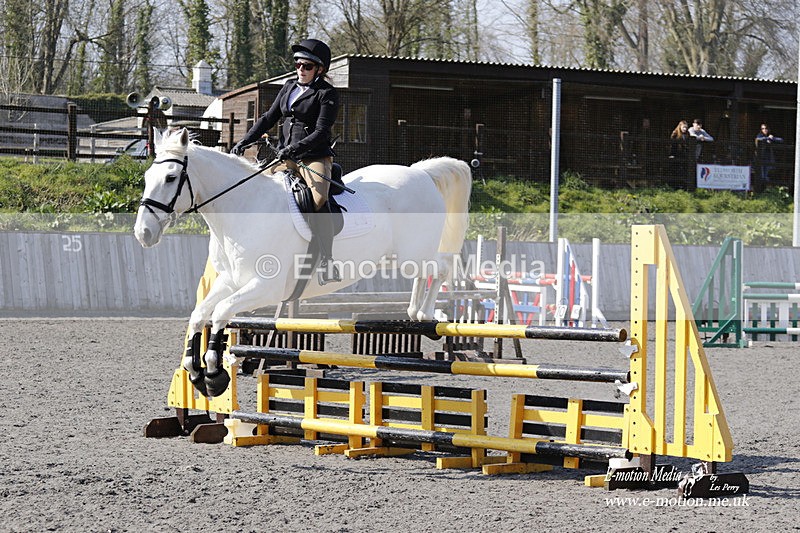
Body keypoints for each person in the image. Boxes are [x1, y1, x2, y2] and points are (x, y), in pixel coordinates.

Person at [231, 38, 341, 284]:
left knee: (318, 198)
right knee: (258, 190)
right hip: (285, 155)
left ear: (320, 70)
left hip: (313, 157)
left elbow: (322, 131)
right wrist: (244, 141)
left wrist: (293, 148)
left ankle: (327, 261)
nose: (300, 69)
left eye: (307, 66)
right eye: (298, 64)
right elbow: (268, 118)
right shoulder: (289, 87)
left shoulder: (327, 94)